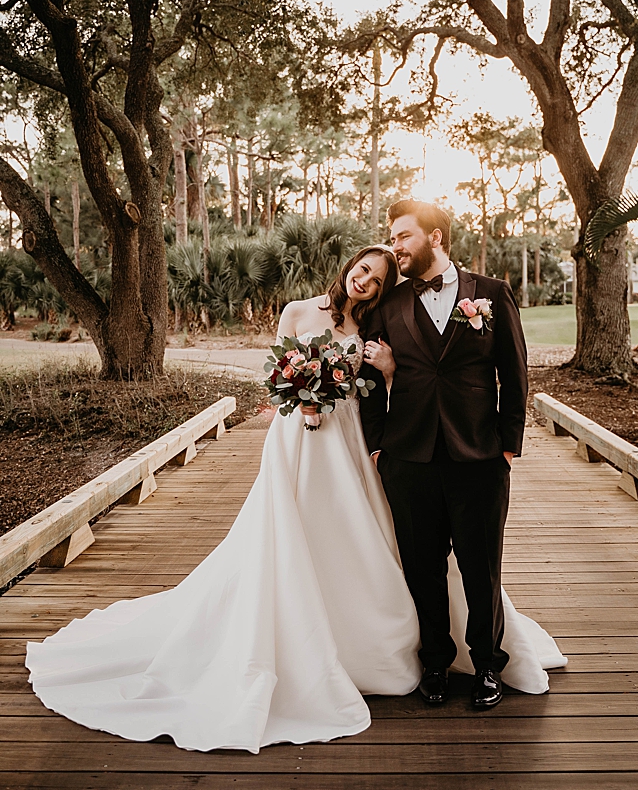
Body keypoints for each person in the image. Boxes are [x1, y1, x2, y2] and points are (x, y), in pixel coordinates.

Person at [25, 243, 562, 752]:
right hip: (298, 437)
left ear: (383, 290)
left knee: (363, 530)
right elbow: (273, 375)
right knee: (294, 526)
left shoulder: (374, 322)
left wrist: (385, 379)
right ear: (349, 265)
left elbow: (395, 381)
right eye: (363, 269)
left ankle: (437, 648)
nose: (366, 281)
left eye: (378, 279)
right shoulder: (297, 311)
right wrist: (300, 394)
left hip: (350, 437)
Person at [358, 200, 535, 710]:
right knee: (423, 570)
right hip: (408, 458)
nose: (395, 246)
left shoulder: (492, 294)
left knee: (483, 570)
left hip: (479, 456)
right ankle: (435, 662)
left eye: (403, 236)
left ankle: (487, 666)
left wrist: (507, 446)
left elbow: (515, 374)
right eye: (393, 237)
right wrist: (378, 447)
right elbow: (369, 380)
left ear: (435, 237)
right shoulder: (390, 304)